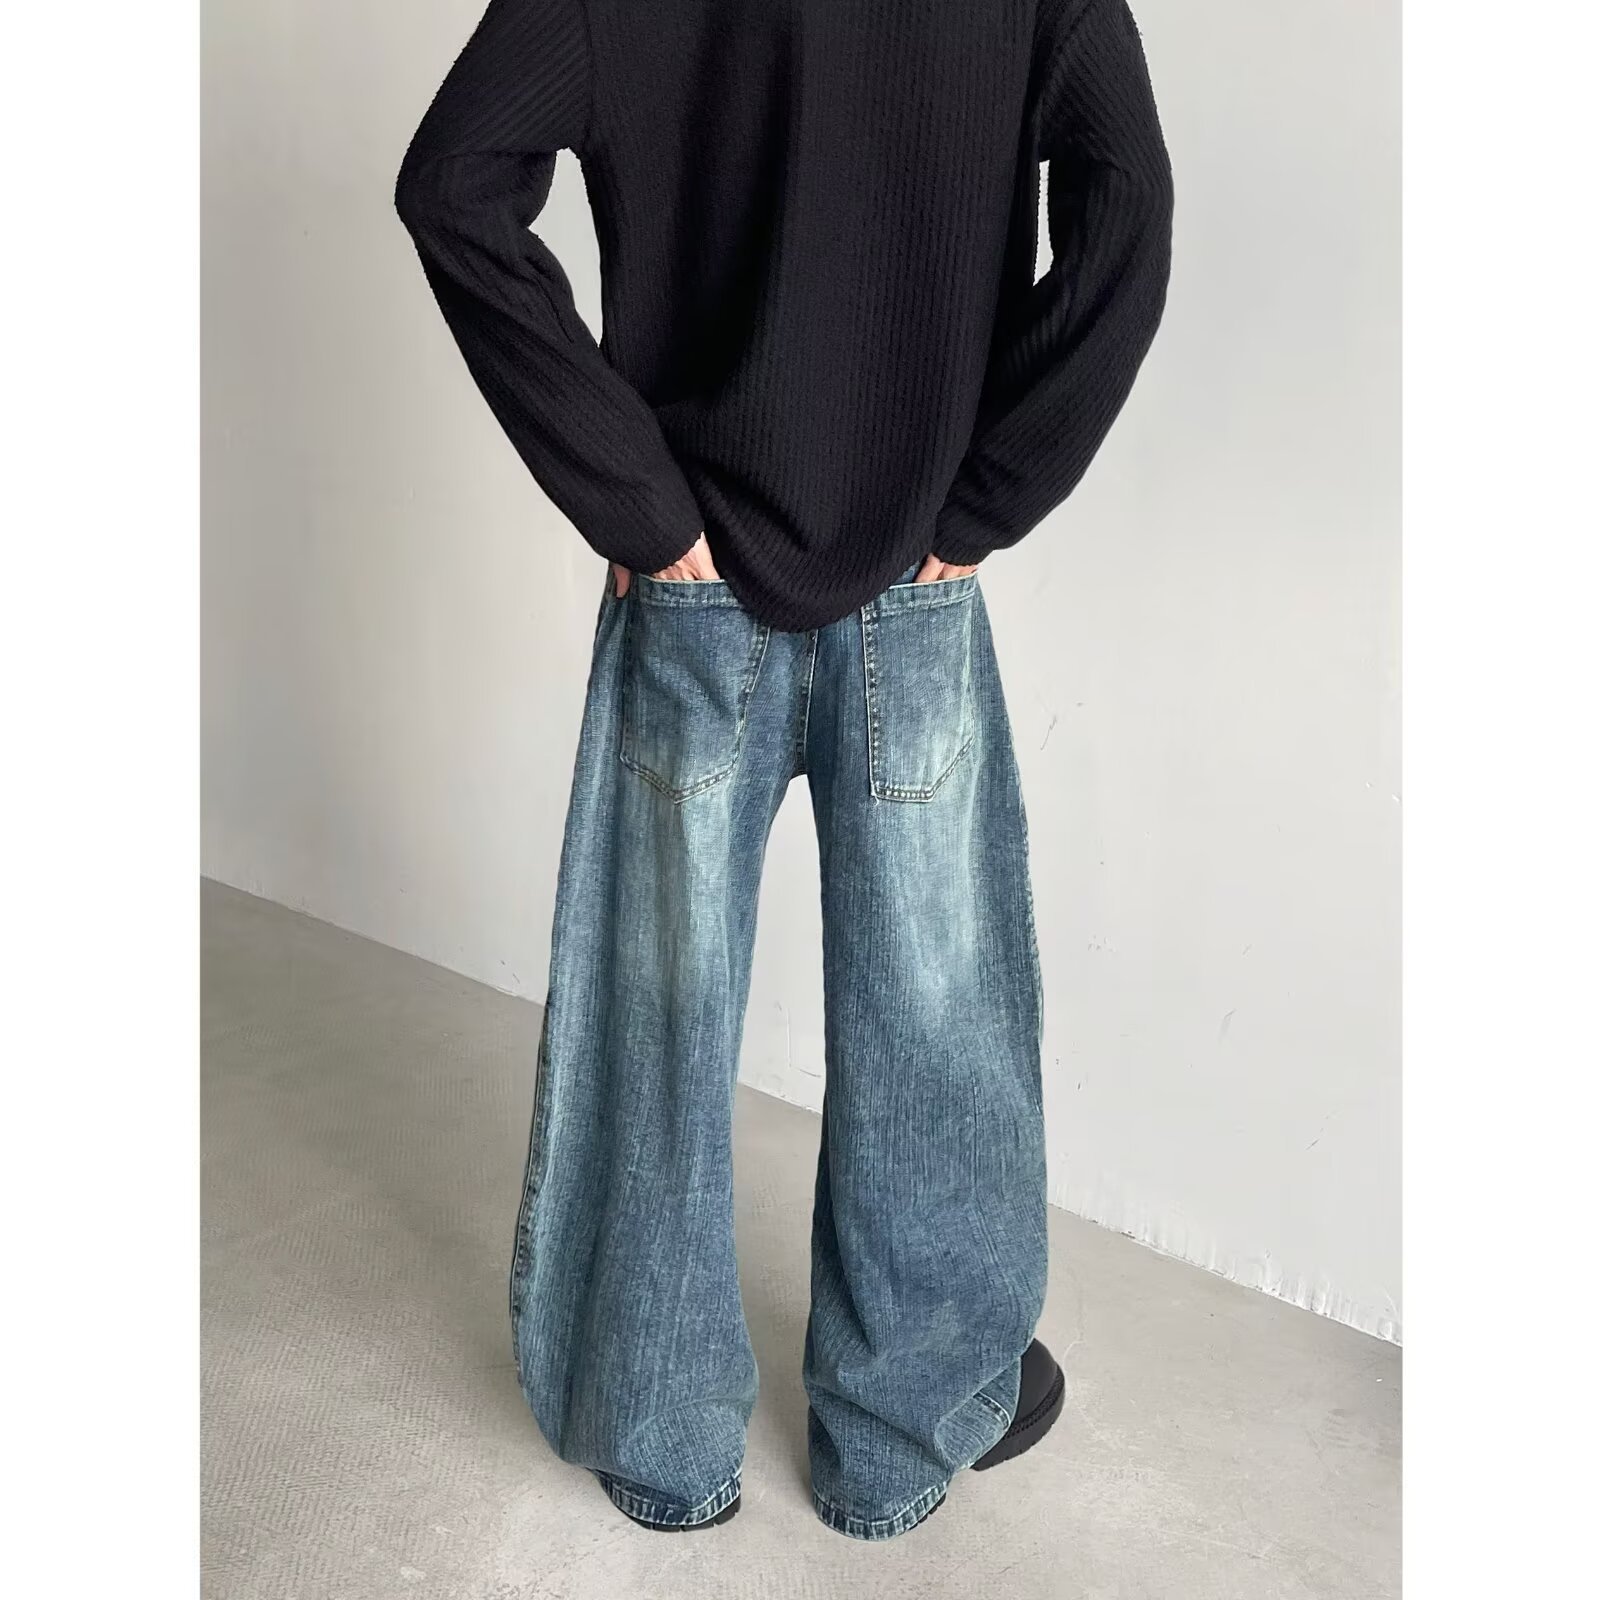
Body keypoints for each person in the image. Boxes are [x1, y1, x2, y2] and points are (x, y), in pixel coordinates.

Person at [395, 0, 1172, 1541]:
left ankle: (660, 1435)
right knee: (934, 1013)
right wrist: (983, 497)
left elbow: (453, 177)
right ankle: (901, 1436)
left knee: (653, 1007)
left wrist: (640, 502)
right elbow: (1128, 199)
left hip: (691, 586)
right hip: (917, 583)